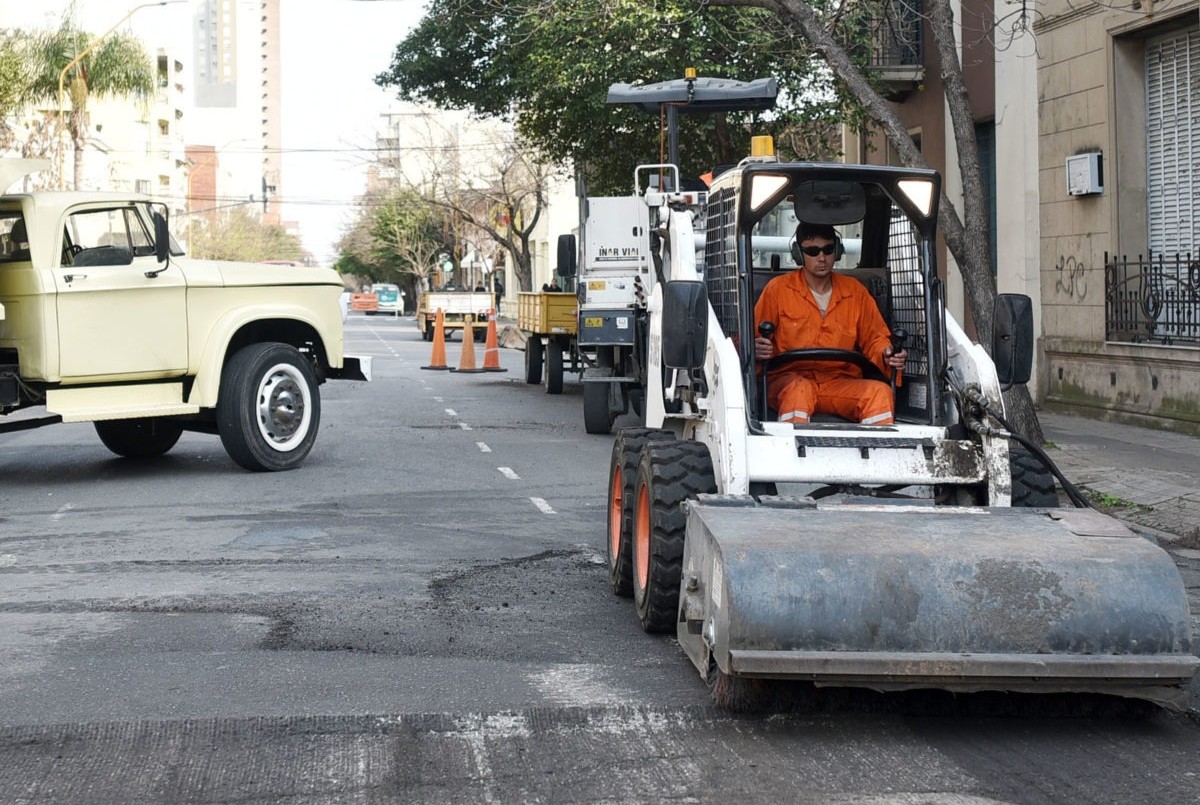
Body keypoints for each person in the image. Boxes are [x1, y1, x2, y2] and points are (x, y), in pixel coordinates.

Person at [754, 222, 906, 426]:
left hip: (839, 383)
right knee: (799, 390)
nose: (821, 257)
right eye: (812, 251)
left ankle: (876, 454)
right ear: (799, 254)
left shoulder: (856, 292)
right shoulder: (777, 290)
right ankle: (793, 452)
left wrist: (887, 353)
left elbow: (875, 338)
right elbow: (750, 339)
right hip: (788, 381)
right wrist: (757, 348)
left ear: (837, 250)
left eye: (827, 249)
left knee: (879, 393)